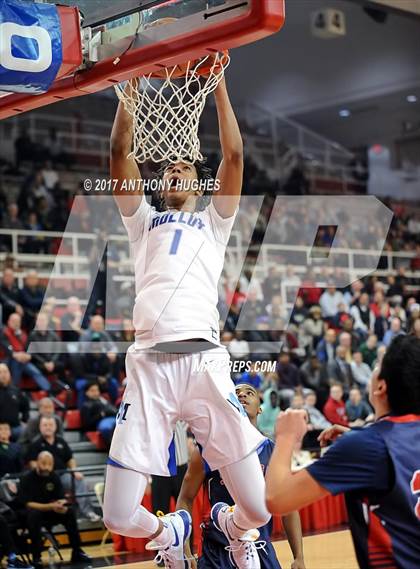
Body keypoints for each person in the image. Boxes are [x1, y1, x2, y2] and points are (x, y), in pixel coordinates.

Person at [103, 75, 270, 569]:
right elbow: (118, 150)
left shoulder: (215, 224)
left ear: (199, 183)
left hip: (204, 364)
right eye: (168, 167)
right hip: (150, 366)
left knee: (258, 511)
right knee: (117, 514)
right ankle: (170, 530)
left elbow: (234, 158)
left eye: (184, 167)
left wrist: (218, 82)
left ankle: (229, 526)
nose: (175, 171)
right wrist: (130, 90)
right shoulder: (142, 222)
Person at [265, 335, 420, 569]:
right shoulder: (371, 443)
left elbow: (276, 500)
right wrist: (354, 436)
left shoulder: (365, 446)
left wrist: (286, 437)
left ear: (380, 387)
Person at [176, 384, 306, 569]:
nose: (243, 395)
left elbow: (288, 507)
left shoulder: (272, 450)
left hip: (259, 546)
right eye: (236, 394)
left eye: (249, 393)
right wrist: (185, 551)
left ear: (260, 408)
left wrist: (299, 556)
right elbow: (185, 499)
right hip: (217, 553)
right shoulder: (206, 449)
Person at [17, 451, 91, 569]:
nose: (47, 467)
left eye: (50, 464)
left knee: (69, 512)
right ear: (37, 462)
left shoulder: (54, 476)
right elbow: (28, 504)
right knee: (34, 516)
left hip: (51, 511)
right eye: (44, 463)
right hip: (33, 511)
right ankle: (37, 557)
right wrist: (51, 507)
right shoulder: (27, 478)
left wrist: (62, 505)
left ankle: (77, 551)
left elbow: (60, 498)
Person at [25, 417, 99, 522]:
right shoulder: (35, 444)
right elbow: (32, 463)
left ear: (55, 427)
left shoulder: (61, 441)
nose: (48, 427)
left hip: (62, 475)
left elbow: (70, 458)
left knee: (78, 479)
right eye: (45, 425)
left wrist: (74, 470)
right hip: (46, 477)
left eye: (50, 425)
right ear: (40, 427)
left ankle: (88, 512)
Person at [0, 364, 29, 441]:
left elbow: (25, 406)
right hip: (0, 429)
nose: (3, 375)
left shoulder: (16, 390)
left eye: (5, 372)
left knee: (26, 433)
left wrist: (24, 420)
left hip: (15, 428)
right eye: (0, 372)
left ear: (9, 374)